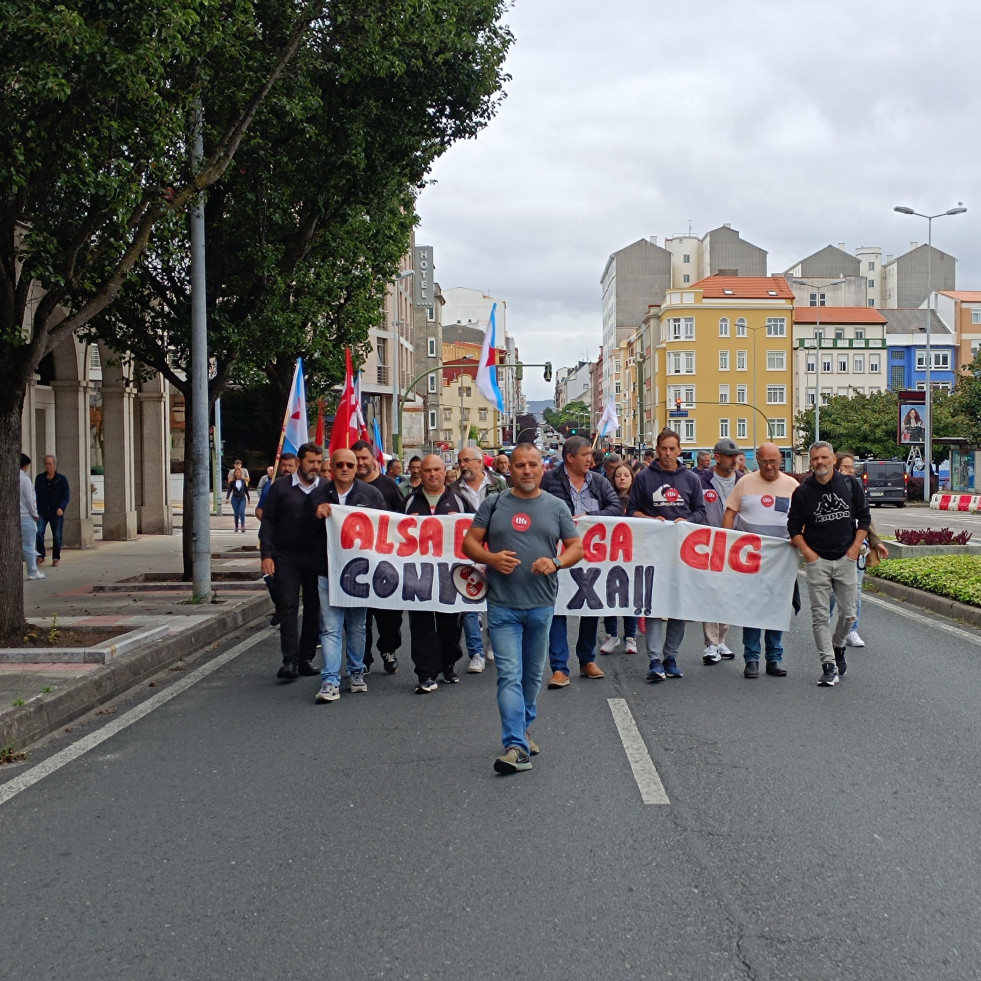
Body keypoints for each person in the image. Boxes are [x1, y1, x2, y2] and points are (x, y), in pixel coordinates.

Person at [462, 443, 584, 775]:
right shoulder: (494, 503)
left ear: (542, 468)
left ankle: (524, 727)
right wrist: (490, 558)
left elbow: (577, 548)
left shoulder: (556, 506)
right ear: (510, 470)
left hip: (542, 605)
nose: (527, 470)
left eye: (532, 464)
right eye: (520, 466)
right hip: (502, 607)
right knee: (509, 676)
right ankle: (515, 745)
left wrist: (556, 562)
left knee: (532, 676)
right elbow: (469, 543)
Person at [787, 441, 871, 687]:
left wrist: (855, 549)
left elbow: (864, 517)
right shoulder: (803, 491)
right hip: (818, 561)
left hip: (846, 559)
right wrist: (808, 554)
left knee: (848, 614)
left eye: (824, 458)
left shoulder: (849, 484)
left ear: (833, 459)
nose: (820, 463)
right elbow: (793, 527)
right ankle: (828, 666)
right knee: (820, 617)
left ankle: (838, 647)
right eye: (815, 459)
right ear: (811, 463)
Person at [627, 428, 706, 683]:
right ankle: (653, 659)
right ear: (657, 449)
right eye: (664, 448)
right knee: (653, 604)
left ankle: (671, 657)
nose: (668, 453)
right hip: (653, 551)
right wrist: (652, 521)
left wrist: (686, 520)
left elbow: (701, 512)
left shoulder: (691, 479)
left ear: (680, 450)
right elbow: (632, 511)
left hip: (682, 552)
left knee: (678, 605)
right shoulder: (644, 477)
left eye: (673, 449)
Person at [543, 435, 622, 688]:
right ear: (570, 457)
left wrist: (589, 517)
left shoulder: (598, 481)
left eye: (591, 454)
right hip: (559, 556)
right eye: (586, 454)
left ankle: (587, 660)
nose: (591, 458)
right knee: (558, 609)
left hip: (592, 559)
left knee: (590, 607)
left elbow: (615, 507)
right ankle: (559, 668)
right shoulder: (548, 481)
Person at [310, 448, 384, 702]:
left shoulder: (371, 495)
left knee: (357, 625)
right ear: (331, 468)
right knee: (330, 628)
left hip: (360, 574)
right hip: (328, 572)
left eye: (349, 465)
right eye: (339, 464)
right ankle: (330, 679)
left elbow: (385, 528)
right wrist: (315, 515)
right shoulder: (317, 495)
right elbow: (302, 527)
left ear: (357, 468)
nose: (344, 469)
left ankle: (355, 671)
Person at [722, 442, 800, 678]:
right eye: (764, 461)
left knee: (777, 608)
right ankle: (752, 658)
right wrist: (727, 543)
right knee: (752, 609)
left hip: (782, 560)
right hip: (750, 559)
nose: (769, 466)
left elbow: (803, 517)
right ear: (757, 459)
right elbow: (730, 513)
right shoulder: (744, 482)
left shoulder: (792, 486)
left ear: (780, 461)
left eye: (774, 461)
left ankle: (774, 658)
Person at [403, 455, 471, 693]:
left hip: (449, 575)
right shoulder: (409, 502)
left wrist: (461, 523)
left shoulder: (460, 502)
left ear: (445, 472)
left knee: (450, 622)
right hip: (418, 574)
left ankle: (448, 662)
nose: (432, 474)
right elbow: (391, 533)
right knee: (421, 623)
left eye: (436, 470)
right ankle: (425, 672)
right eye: (427, 470)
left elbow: (476, 531)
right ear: (420, 473)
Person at [259, 443, 325, 681]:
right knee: (287, 605)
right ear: (299, 463)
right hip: (285, 556)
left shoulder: (326, 489)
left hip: (315, 557)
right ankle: (289, 660)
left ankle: (306, 658)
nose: (315, 467)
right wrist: (266, 554)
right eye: (311, 462)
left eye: (318, 462)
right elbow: (268, 522)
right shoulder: (280, 488)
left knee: (313, 606)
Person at [352, 440, 405, 675]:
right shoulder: (346, 487)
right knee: (360, 614)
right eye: (357, 459)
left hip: (386, 562)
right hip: (354, 562)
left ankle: (388, 649)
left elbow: (403, 521)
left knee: (389, 614)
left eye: (364, 458)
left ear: (374, 458)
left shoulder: (389, 486)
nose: (361, 463)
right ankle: (363, 659)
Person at [453, 446, 506, 673]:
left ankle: (493, 641)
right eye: (459, 461)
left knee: (495, 602)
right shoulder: (454, 490)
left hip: (494, 551)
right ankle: (475, 652)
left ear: (479, 462)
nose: (462, 465)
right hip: (466, 552)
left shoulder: (499, 485)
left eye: (466, 460)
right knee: (469, 604)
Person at [834, 452, 889, 648]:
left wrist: (876, 542)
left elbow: (866, 518)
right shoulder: (830, 488)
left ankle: (852, 630)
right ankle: (826, 626)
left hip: (858, 551)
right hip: (834, 550)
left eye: (852, 468)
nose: (851, 471)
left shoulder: (856, 488)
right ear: (837, 468)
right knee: (832, 595)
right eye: (846, 467)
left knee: (855, 592)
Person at [698, 438, 742, 664]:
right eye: (730, 456)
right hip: (709, 543)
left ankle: (721, 638)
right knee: (710, 592)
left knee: (728, 594)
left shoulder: (743, 481)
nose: (735, 461)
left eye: (736, 456)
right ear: (717, 457)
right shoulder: (702, 480)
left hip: (736, 545)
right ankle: (710, 643)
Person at [599, 463, 638, 655]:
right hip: (610, 556)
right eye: (618, 476)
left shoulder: (638, 502)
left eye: (626, 475)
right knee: (610, 594)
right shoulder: (607, 502)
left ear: (632, 479)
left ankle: (630, 637)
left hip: (633, 556)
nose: (622, 478)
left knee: (631, 595)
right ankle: (611, 635)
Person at [35, 454, 70, 567]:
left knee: (57, 535)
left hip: (56, 511)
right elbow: (35, 495)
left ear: (55, 465)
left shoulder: (61, 479)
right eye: (46, 464)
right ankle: (41, 555)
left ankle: (56, 558)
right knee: (39, 532)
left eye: (50, 464)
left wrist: (61, 507)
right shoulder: (40, 479)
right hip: (42, 511)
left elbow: (66, 495)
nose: (47, 466)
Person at [20, 454, 44, 580]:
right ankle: (32, 571)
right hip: (25, 515)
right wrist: (34, 513)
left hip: (15, 515)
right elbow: (30, 499)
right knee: (29, 545)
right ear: (26, 465)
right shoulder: (25, 479)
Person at [255, 453, 296, 521]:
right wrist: (269, 525)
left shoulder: (304, 486)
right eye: (283, 465)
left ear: (297, 466)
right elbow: (259, 511)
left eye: (290, 465)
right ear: (279, 466)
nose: (287, 468)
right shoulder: (271, 484)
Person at [225, 466, 250, 532]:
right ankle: (236, 526)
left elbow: (246, 490)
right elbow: (229, 490)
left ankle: (242, 526)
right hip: (235, 499)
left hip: (242, 498)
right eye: (236, 472)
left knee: (241, 511)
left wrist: (248, 498)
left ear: (241, 473)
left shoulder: (243, 481)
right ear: (235, 473)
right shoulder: (232, 482)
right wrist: (227, 498)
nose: (238, 473)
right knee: (236, 513)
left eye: (239, 472)